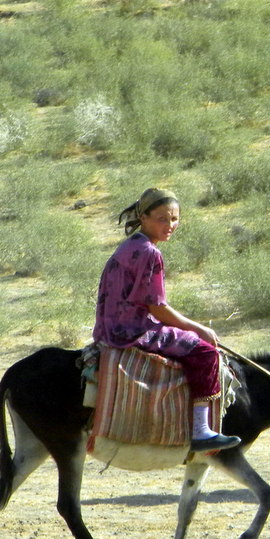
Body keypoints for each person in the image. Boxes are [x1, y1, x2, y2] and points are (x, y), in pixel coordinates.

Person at [93, 187, 241, 451]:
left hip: (111, 327)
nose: (170, 225)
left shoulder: (131, 245)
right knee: (205, 353)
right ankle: (201, 431)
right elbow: (157, 307)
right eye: (162, 218)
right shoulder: (150, 252)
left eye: (174, 219)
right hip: (132, 329)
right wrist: (198, 329)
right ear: (144, 217)